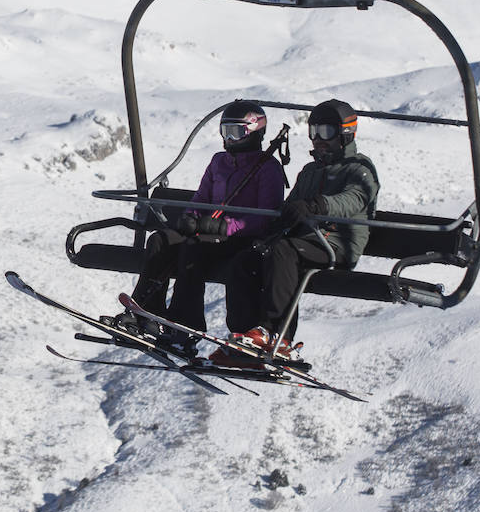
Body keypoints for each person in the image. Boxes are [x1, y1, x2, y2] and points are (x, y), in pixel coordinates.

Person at [116, 100, 287, 355]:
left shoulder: (268, 168)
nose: (229, 139)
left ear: (254, 132)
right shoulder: (219, 162)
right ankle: (145, 311)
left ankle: (184, 327)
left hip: (241, 239)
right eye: (225, 131)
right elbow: (201, 198)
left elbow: (266, 217)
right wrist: (191, 217)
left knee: (192, 249)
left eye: (236, 132)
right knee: (160, 240)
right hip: (209, 232)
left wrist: (225, 226)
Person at [218, 98, 380, 362]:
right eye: (313, 132)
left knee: (282, 252)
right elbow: (292, 207)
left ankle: (276, 336)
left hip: (335, 245)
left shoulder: (360, 170)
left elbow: (353, 200)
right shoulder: (309, 171)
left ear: (345, 134)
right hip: (303, 242)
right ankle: (244, 336)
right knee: (246, 260)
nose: (318, 139)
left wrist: (317, 205)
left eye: (325, 132)